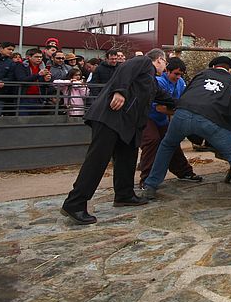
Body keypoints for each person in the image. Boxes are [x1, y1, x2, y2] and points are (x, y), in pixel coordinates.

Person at [61, 49, 175, 225]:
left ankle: (124, 194)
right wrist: (120, 91)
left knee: (127, 156)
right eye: (165, 63)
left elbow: (164, 97)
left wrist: (188, 104)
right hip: (110, 117)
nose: (165, 67)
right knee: (97, 161)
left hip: (126, 125)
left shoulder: (150, 81)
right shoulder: (143, 62)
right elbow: (125, 69)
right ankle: (74, 203)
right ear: (159, 59)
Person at [142, 56, 231, 215]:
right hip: (211, 120)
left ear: (213, 66)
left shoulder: (200, 75)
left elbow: (185, 96)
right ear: (229, 69)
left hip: (182, 115)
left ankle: (150, 187)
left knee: (167, 145)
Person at [137, 57, 200, 187]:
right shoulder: (159, 82)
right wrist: (183, 113)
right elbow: (160, 108)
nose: (177, 77)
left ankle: (184, 172)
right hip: (147, 117)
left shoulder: (181, 83)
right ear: (167, 71)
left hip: (162, 120)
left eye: (180, 75)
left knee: (172, 141)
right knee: (152, 141)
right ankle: (146, 180)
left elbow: (183, 101)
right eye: (175, 74)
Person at [11, 48, 53, 116]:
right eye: (36, 57)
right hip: (24, 98)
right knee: (22, 120)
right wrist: (38, 75)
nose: (39, 59)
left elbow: (46, 85)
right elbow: (22, 79)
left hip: (38, 98)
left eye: (41, 57)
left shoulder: (43, 67)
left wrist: (47, 80)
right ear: (29, 57)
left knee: (34, 120)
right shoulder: (21, 66)